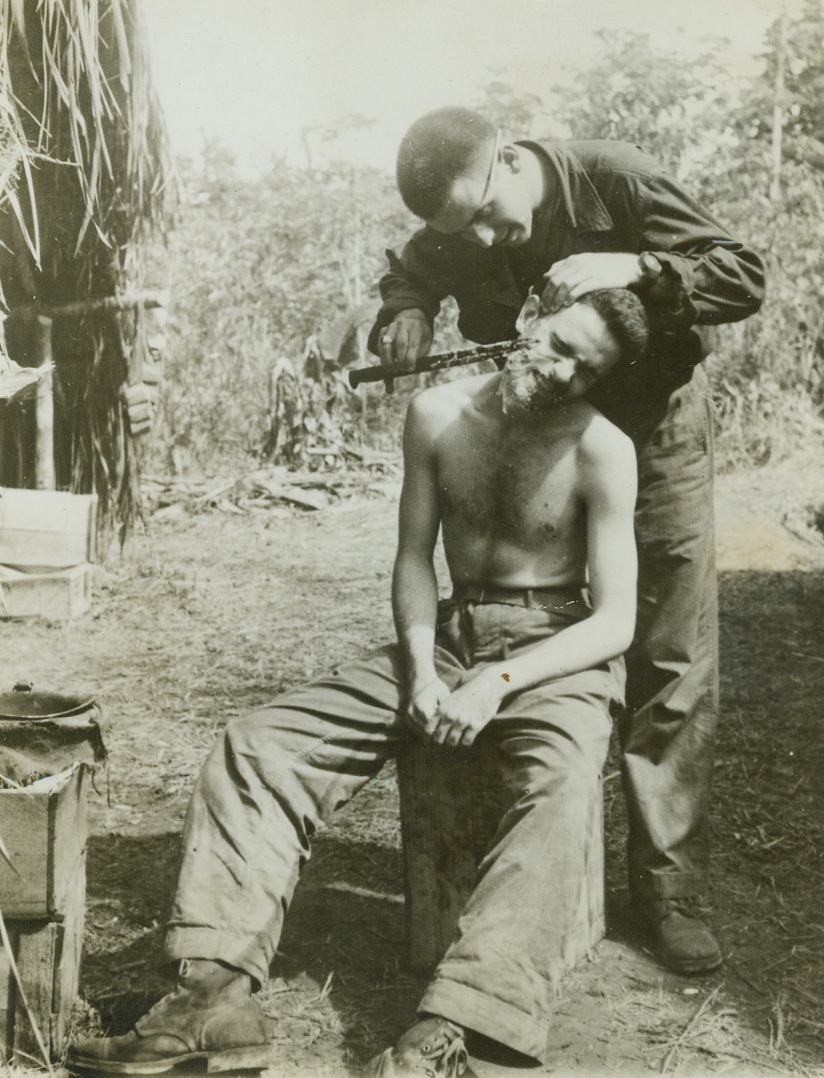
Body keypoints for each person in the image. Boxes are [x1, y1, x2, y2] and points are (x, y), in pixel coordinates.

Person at [68, 287, 644, 1075]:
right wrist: (418, 668)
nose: (558, 368)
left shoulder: (602, 447)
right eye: (558, 341)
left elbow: (614, 622)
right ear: (527, 319)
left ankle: (455, 1032)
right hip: (445, 636)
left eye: (582, 367)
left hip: (553, 652)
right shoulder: (438, 415)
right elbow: (414, 557)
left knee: (563, 788)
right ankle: (212, 999)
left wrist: (498, 682)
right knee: (259, 748)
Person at [370, 106, 766, 975]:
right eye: (459, 229)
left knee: (667, 647)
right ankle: (524, 843)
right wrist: (405, 308)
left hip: (650, 427)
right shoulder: (460, 219)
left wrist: (642, 263)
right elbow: (416, 265)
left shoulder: (613, 177)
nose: (480, 237)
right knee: (541, 618)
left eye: (484, 214)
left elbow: (742, 274)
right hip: (541, 427)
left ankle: (668, 890)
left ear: (509, 158)